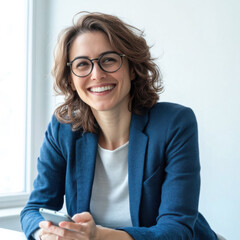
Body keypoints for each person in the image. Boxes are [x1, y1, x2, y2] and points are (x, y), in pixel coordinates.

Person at [20, 12, 219, 240]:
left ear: (132, 67)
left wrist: (97, 236)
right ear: (71, 80)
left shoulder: (174, 123)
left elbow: (176, 230)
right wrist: (48, 234)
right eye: (82, 64)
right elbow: (33, 210)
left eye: (109, 60)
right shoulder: (63, 129)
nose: (97, 74)